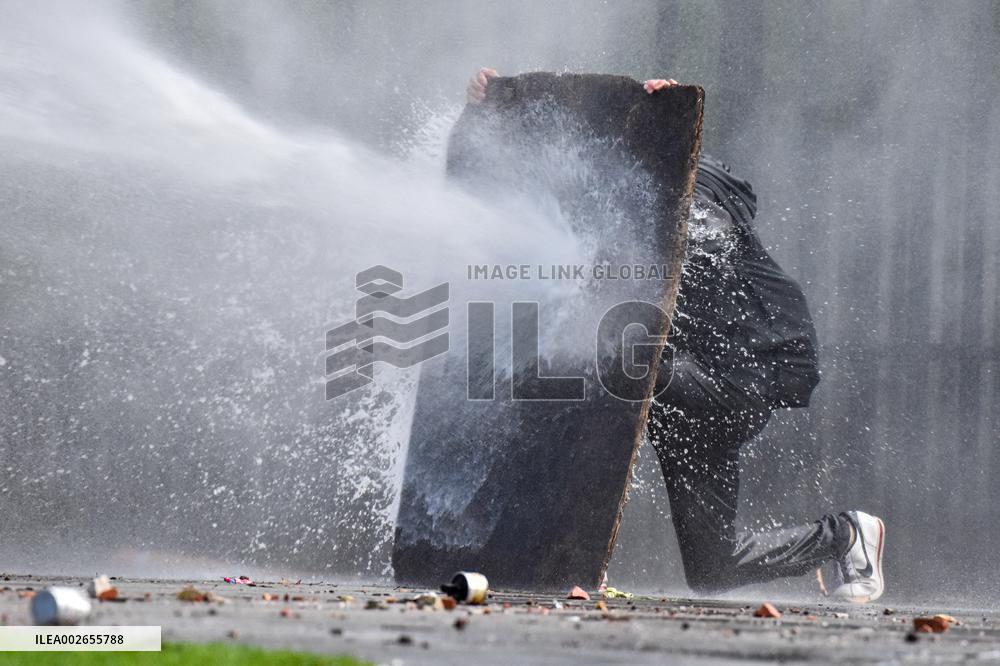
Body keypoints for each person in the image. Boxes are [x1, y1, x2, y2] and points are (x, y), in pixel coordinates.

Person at [466, 69, 886, 603]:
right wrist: (493, 109)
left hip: (738, 375)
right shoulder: (624, 217)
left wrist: (664, 117)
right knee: (712, 569)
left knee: (615, 360)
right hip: (684, 400)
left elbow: (666, 213)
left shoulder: (699, 213)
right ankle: (847, 536)